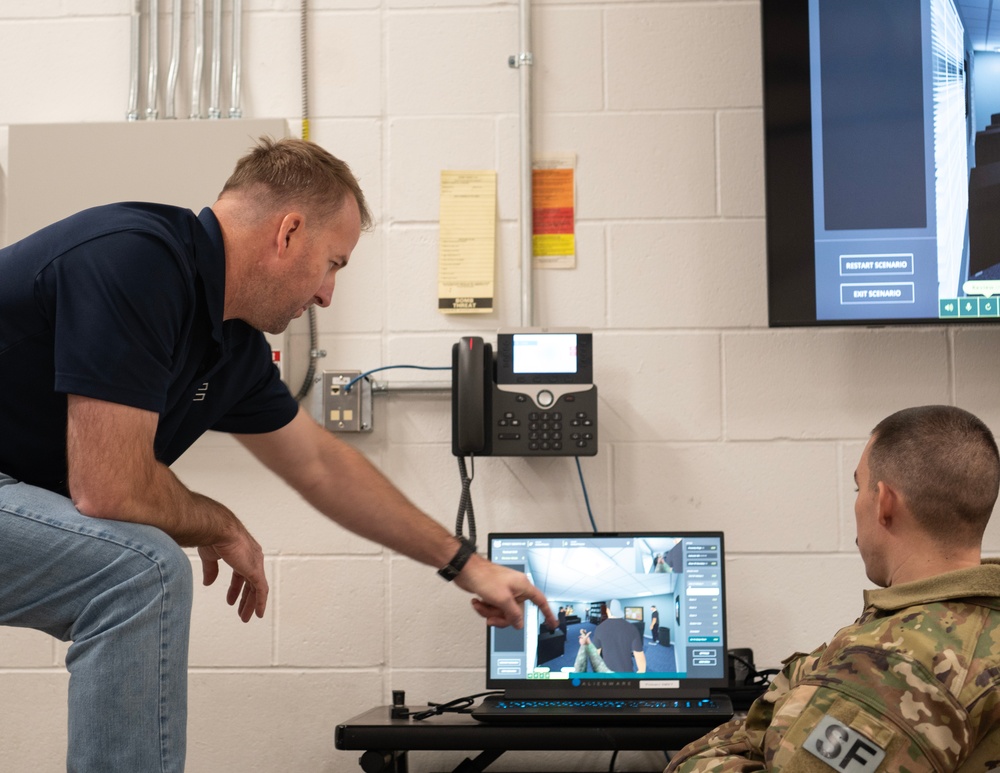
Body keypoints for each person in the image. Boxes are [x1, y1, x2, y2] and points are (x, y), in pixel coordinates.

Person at [0, 135, 556, 773]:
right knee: (140, 572)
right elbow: (108, 489)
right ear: (288, 231)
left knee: (140, 565)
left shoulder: (231, 346)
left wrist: (467, 565)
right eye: (333, 264)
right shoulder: (136, 259)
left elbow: (322, 466)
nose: (326, 295)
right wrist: (219, 521)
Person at [666, 405, 1000, 772]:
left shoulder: (897, 667)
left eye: (859, 488)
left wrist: (699, 758)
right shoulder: (976, 623)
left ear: (885, 502)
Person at [592, 599, 646, 673]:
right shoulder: (632, 628)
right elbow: (639, 655)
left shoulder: (599, 628)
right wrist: (641, 672)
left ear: (608, 610)